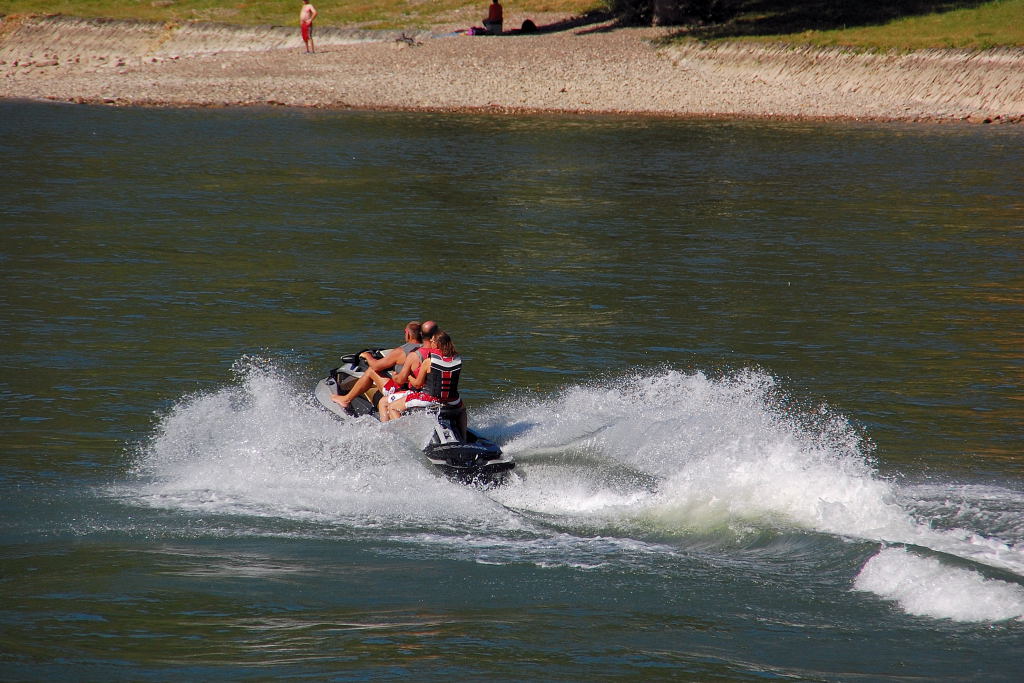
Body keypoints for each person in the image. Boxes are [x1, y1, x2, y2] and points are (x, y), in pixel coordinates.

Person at [384, 329, 468, 439]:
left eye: (432, 341)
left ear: (437, 343)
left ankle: (406, 438)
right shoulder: (457, 358)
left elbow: (418, 384)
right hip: (452, 401)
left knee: (392, 407)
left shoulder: (429, 361)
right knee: (462, 411)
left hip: (429, 399)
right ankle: (464, 437)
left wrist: (409, 376)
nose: (431, 343)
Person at [330, 320, 424, 410]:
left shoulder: (401, 351)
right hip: (420, 391)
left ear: (407, 333)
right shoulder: (425, 350)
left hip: (402, 391)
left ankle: (346, 400)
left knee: (371, 371)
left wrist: (367, 356)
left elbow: (376, 366)